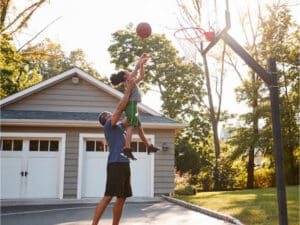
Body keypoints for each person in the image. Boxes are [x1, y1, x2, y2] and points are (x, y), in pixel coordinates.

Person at [91, 79, 135, 225]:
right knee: (109, 196)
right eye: (108, 115)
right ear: (106, 120)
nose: (111, 115)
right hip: (115, 164)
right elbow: (120, 108)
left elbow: (131, 115)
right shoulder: (109, 126)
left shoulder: (120, 127)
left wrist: (134, 97)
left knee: (122, 198)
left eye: (111, 114)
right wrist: (127, 90)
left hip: (124, 163)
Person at [110, 53, 160, 160]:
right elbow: (136, 69)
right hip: (131, 105)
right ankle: (127, 148)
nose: (130, 72)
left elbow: (141, 76)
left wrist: (142, 65)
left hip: (134, 106)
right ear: (125, 76)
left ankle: (149, 147)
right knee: (131, 127)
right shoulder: (128, 80)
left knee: (140, 129)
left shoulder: (131, 82)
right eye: (128, 72)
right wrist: (140, 60)